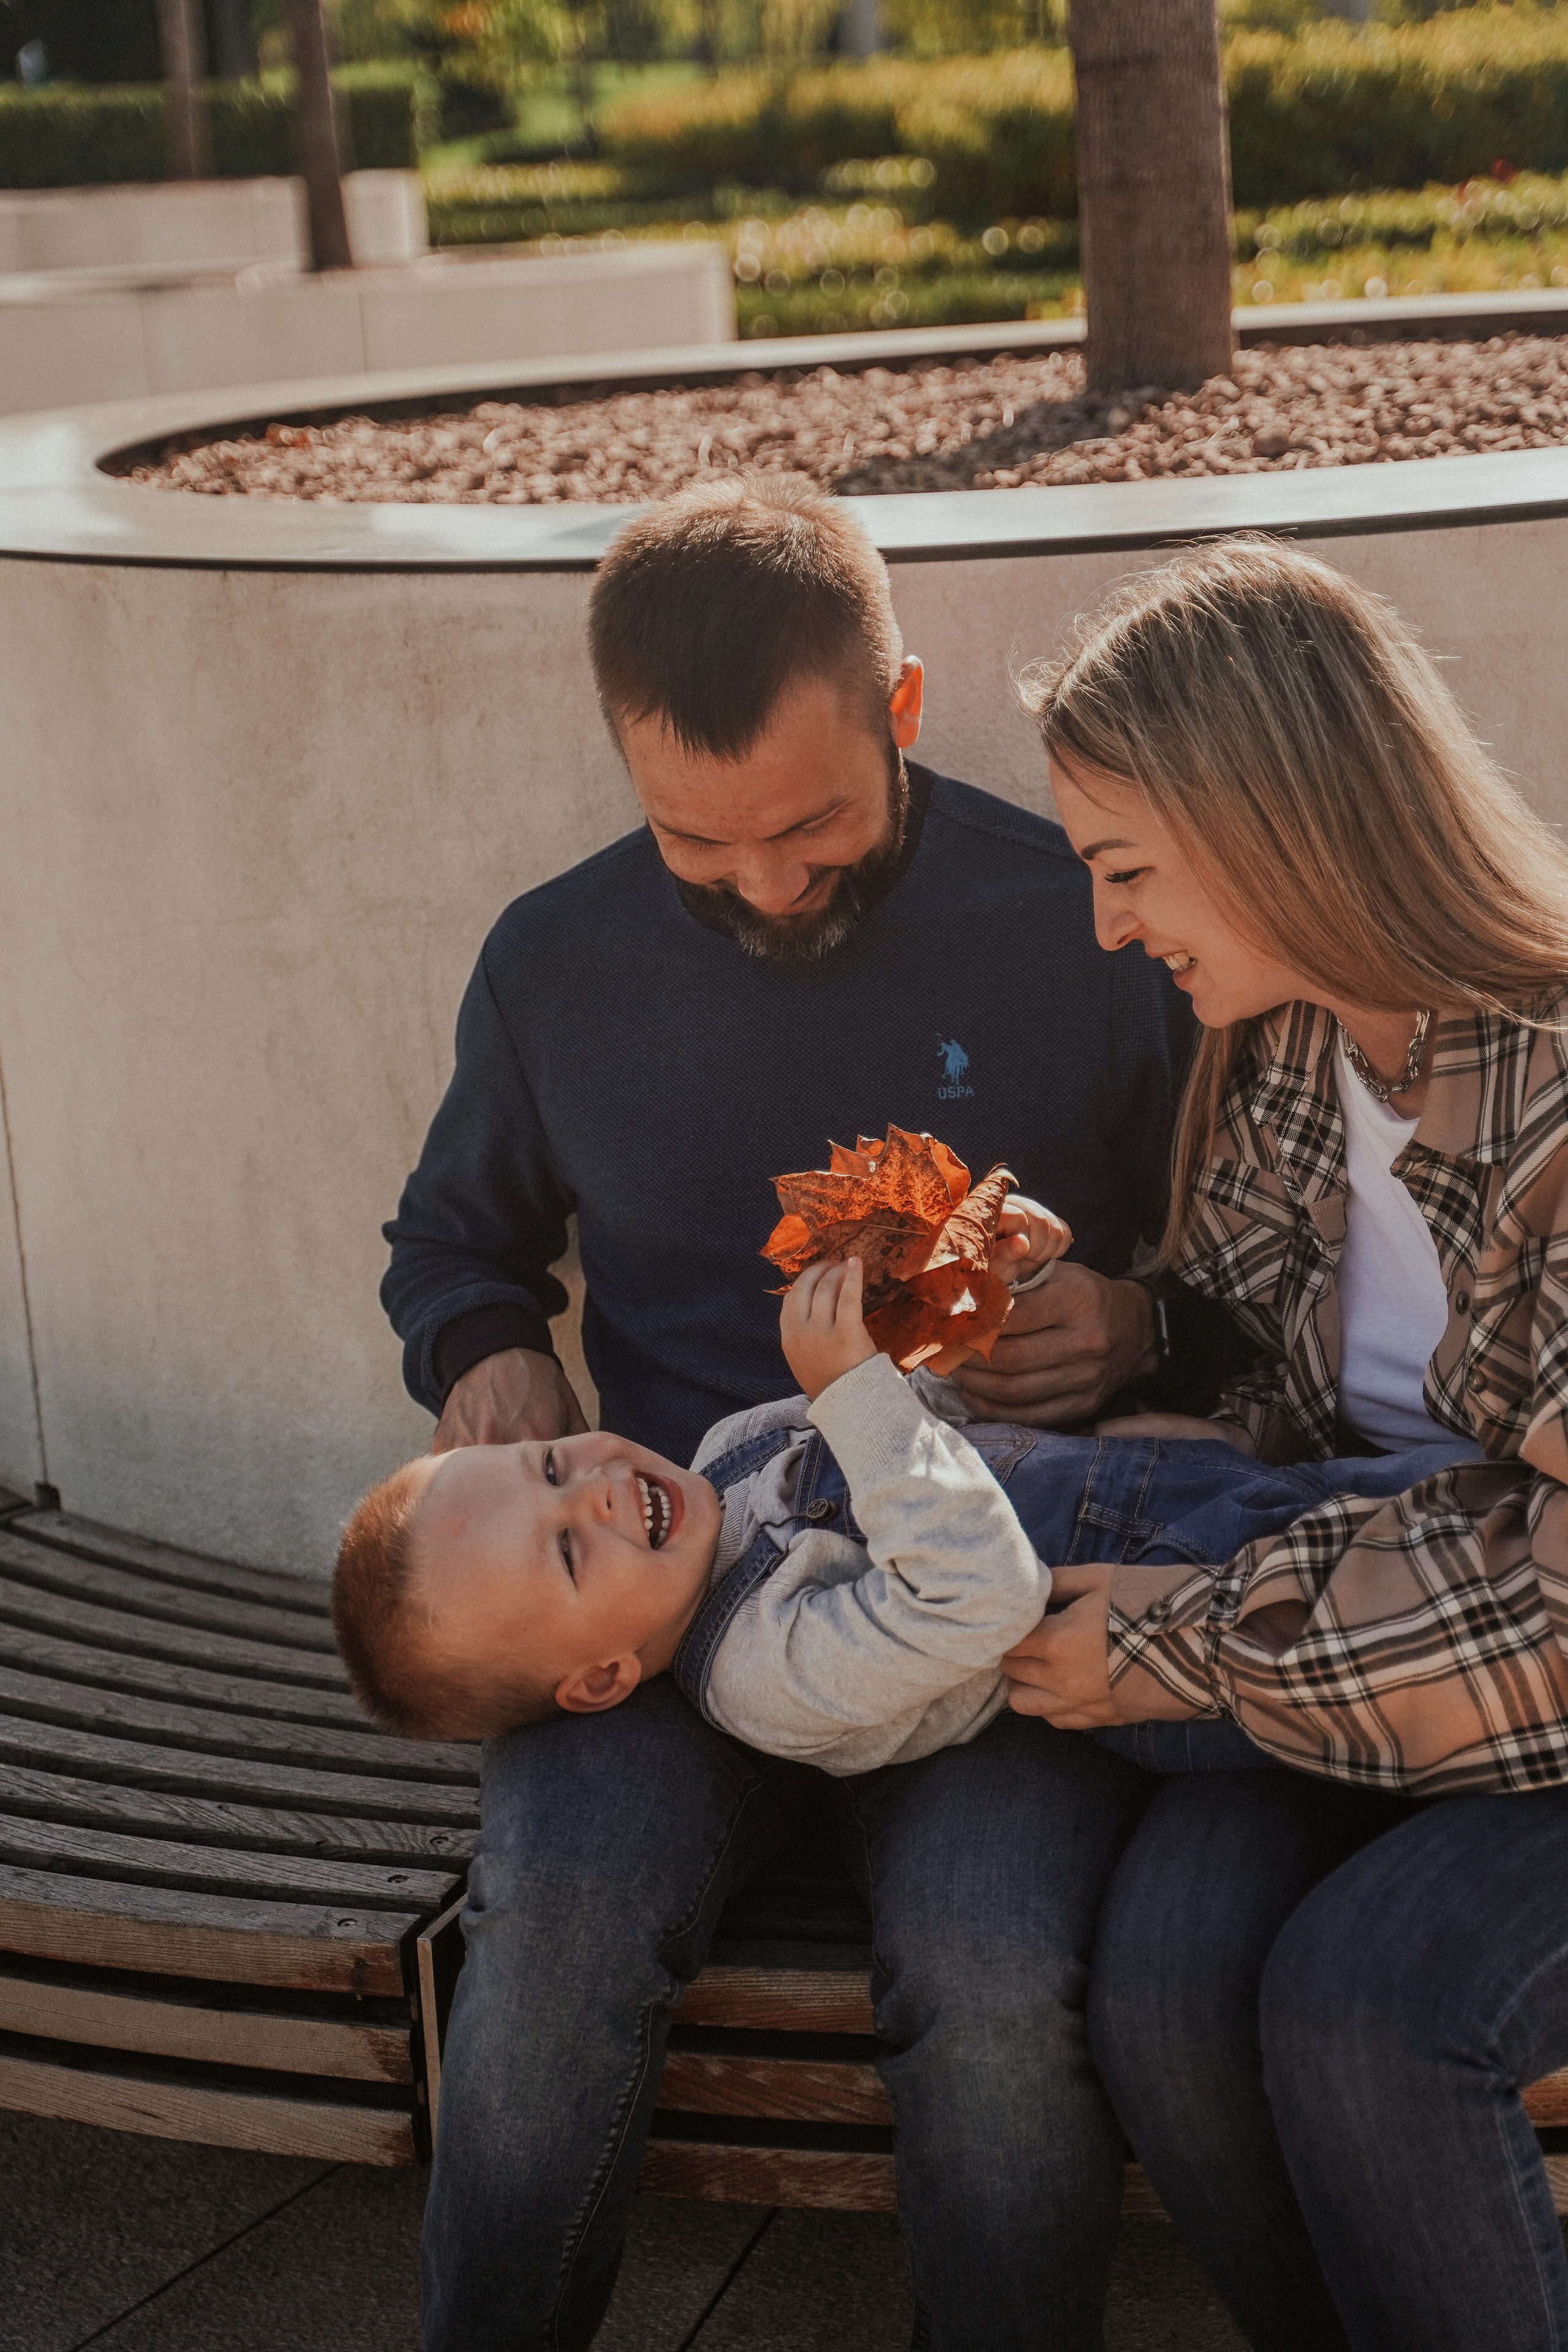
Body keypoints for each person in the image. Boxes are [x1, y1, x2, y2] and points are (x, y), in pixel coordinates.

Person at [380, 475, 1233, 2352]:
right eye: (698, 838)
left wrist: (1138, 1328)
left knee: (1003, 1977)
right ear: (625, 765)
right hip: (673, 1603)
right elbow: (457, 1242)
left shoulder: (1081, 927)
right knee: (553, 1923)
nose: (768, 876)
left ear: (904, 710)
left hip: (983, 1598)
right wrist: (485, 1355)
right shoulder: (553, 962)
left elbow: (1256, 1273)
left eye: (816, 820)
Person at [998, 537, 1568, 2352]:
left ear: (1274, 822)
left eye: (1127, 869)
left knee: (1366, 2002)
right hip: (1353, 1637)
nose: (1107, 927)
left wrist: (1169, 1641)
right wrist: (1140, 1352)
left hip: (1518, 1674)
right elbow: (1282, 1375)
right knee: (1161, 1986)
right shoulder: (1283, 1052)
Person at [339, 1250, 1464, 1777]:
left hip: (1181, 1496)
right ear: (599, 1678)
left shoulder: (730, 1454)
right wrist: (846, 1391)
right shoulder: (764, 1675)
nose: (590, 1490)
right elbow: (982, 1597)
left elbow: (933, 1413)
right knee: (1421, 1651)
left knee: (1469, 1506)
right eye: (572, 1552)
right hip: (1181, 1648)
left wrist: (975, 1284)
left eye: (547, 1467)